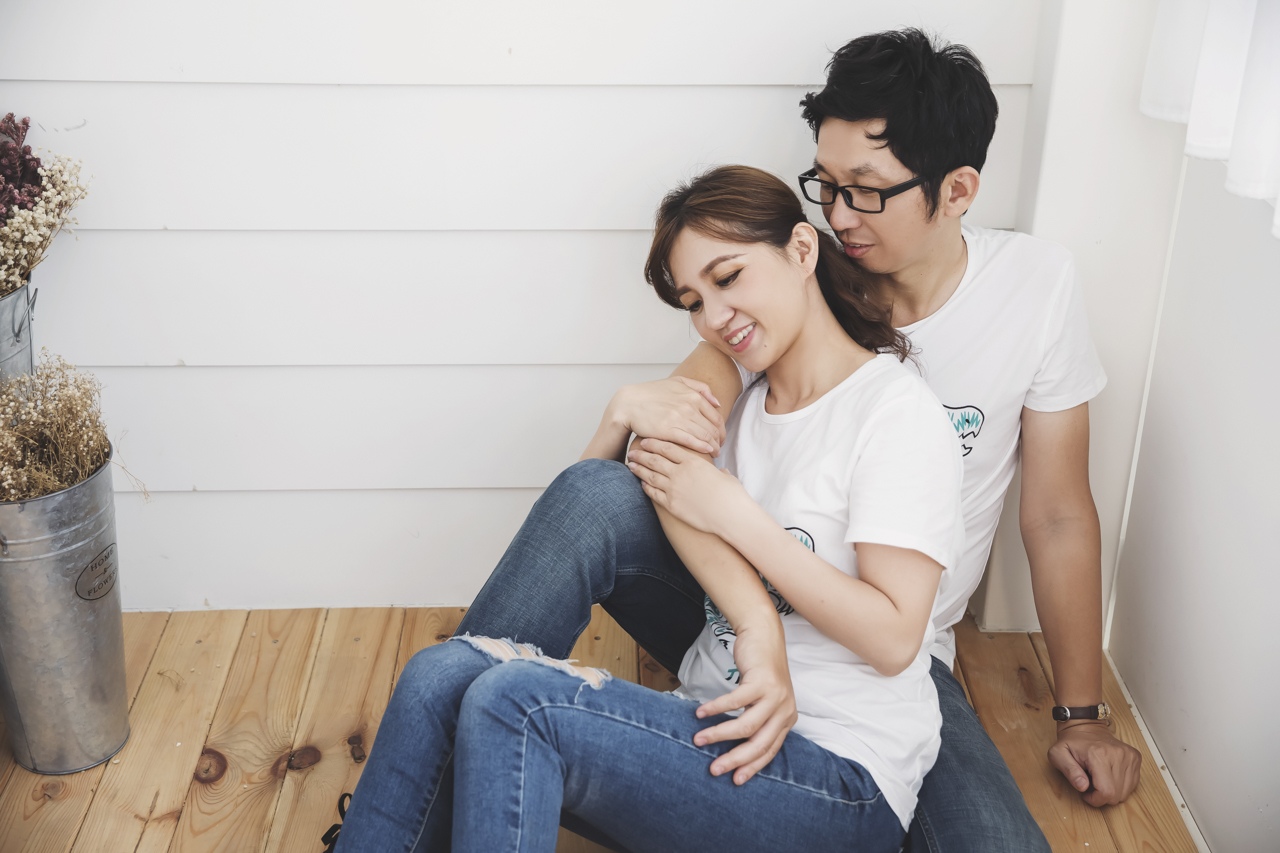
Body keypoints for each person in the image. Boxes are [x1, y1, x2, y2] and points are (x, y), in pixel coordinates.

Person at [452, 27, 1140, 853]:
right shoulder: (791, 286)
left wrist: (1081, 714)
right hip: (738, 605)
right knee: (590, 505)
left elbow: (1057, 515)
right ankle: (445, 749)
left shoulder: (1034, 288)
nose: (839, 215)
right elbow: (674, 452)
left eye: (867, 190)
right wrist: (754, 622)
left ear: (958, 189)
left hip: (889, 656)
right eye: (827, 185)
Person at [336, 165, 967, 853]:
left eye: (729, 278)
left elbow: (894, 638)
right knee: (441, 675)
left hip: (837, 777)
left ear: (801, 249)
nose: (714, 318)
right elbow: (601, 494)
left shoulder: (894, 414)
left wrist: (736, 517)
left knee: (514, 702)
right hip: (707, 722)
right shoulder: (733, 393)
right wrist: (623, 417)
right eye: (694, 301)